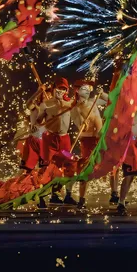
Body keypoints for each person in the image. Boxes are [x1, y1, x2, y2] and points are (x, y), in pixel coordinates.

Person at [35, 77, 76, 207]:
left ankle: (67, 195)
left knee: (69, 167)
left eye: (64, 89)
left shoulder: (70, 104)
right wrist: (38, 122)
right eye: (59, 88)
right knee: (46, 168)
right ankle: (41, 197)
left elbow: (80, 111)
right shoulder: (46, 104)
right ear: (54, 89)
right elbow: (38, 121)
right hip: (50, 139)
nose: (61, 91)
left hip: (64, 139)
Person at [70, 80, 108, 209]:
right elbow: (82, 127)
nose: (86, 90)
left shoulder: (94, 102)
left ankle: (115, 194)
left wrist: (102, 94)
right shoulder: (75, 108)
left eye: (87, 88)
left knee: (109, 162)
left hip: (100, 139)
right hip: (87, 140)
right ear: (77, 91)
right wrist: (83, 121)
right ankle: (82, 198)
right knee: (85, 168)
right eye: (83, 88)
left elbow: (110, 102)